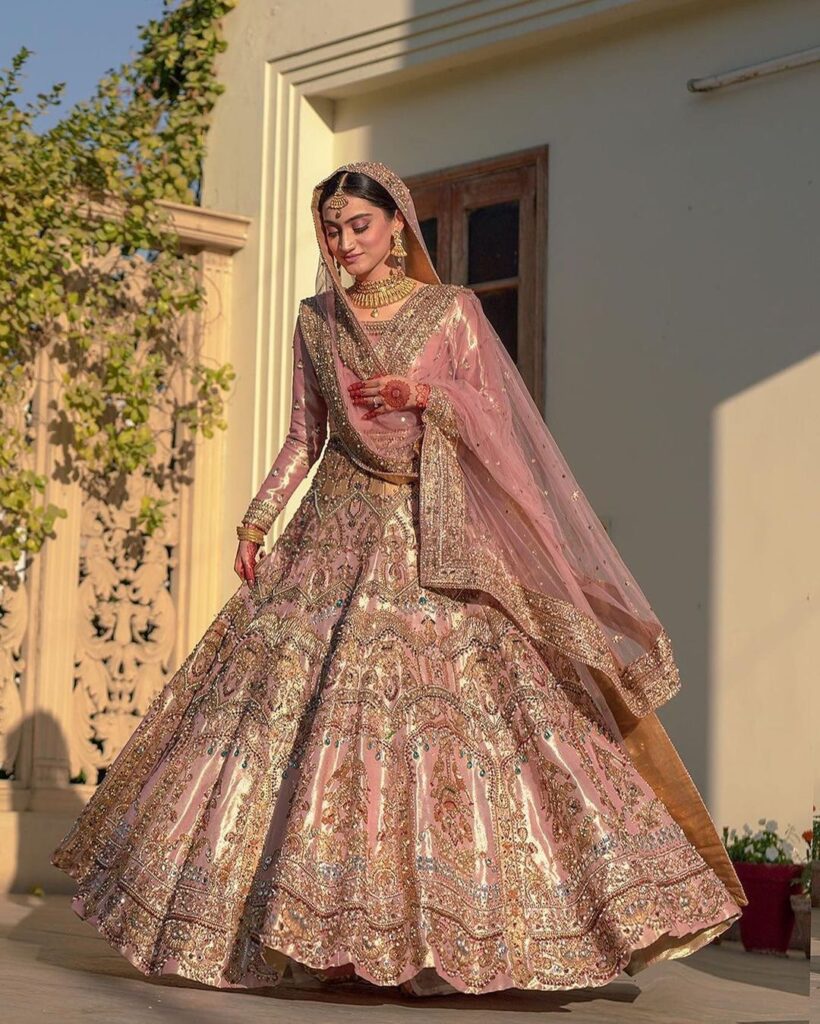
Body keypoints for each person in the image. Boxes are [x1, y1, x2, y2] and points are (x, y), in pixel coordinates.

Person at [52, 161, 746, 998]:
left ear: (397, 225)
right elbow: (305, 438)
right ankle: (312, 935)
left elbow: (497, 421)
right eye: (332, 229)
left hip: (434, 542)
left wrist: (424, 393)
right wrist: (255, 521)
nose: (345, 244)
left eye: (359, 226)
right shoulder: (316, 320)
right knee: (297, 731)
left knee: (458, 730)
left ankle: (473, 938)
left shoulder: (452, 311)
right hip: (330, 543)